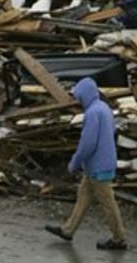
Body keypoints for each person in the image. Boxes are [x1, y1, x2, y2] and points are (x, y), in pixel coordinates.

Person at [45, 77, 127, 250]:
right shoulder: (104, 108)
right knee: (83, 197)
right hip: (100, 164)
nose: (77, 100)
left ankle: (119, 238)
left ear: (85, 95)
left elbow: (87, 144)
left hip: (98, 166)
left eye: (79, 96)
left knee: (107, 203)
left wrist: (74, 163)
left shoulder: (92, 113)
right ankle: (68, 230)